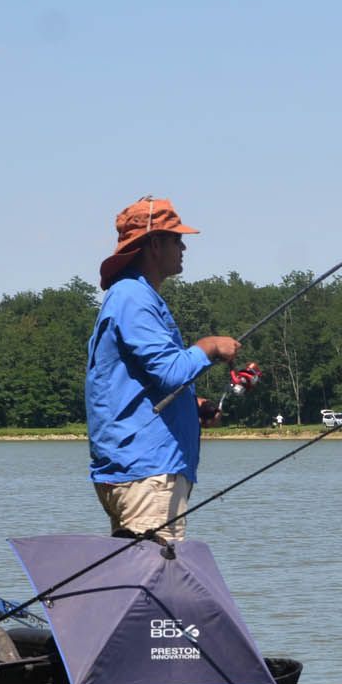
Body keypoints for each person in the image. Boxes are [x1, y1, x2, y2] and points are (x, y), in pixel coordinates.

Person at [85, 197, 239, 542]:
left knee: (142, 583)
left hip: (141, 470)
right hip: (147, 474)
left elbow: (141, 381)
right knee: (156, 583)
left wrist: (192, 407)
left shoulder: (133, 296)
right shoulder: (132, 298)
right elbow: (170, 371)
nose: (183, 246)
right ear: (154, 245)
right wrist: (208, 347)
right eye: (175, 239)